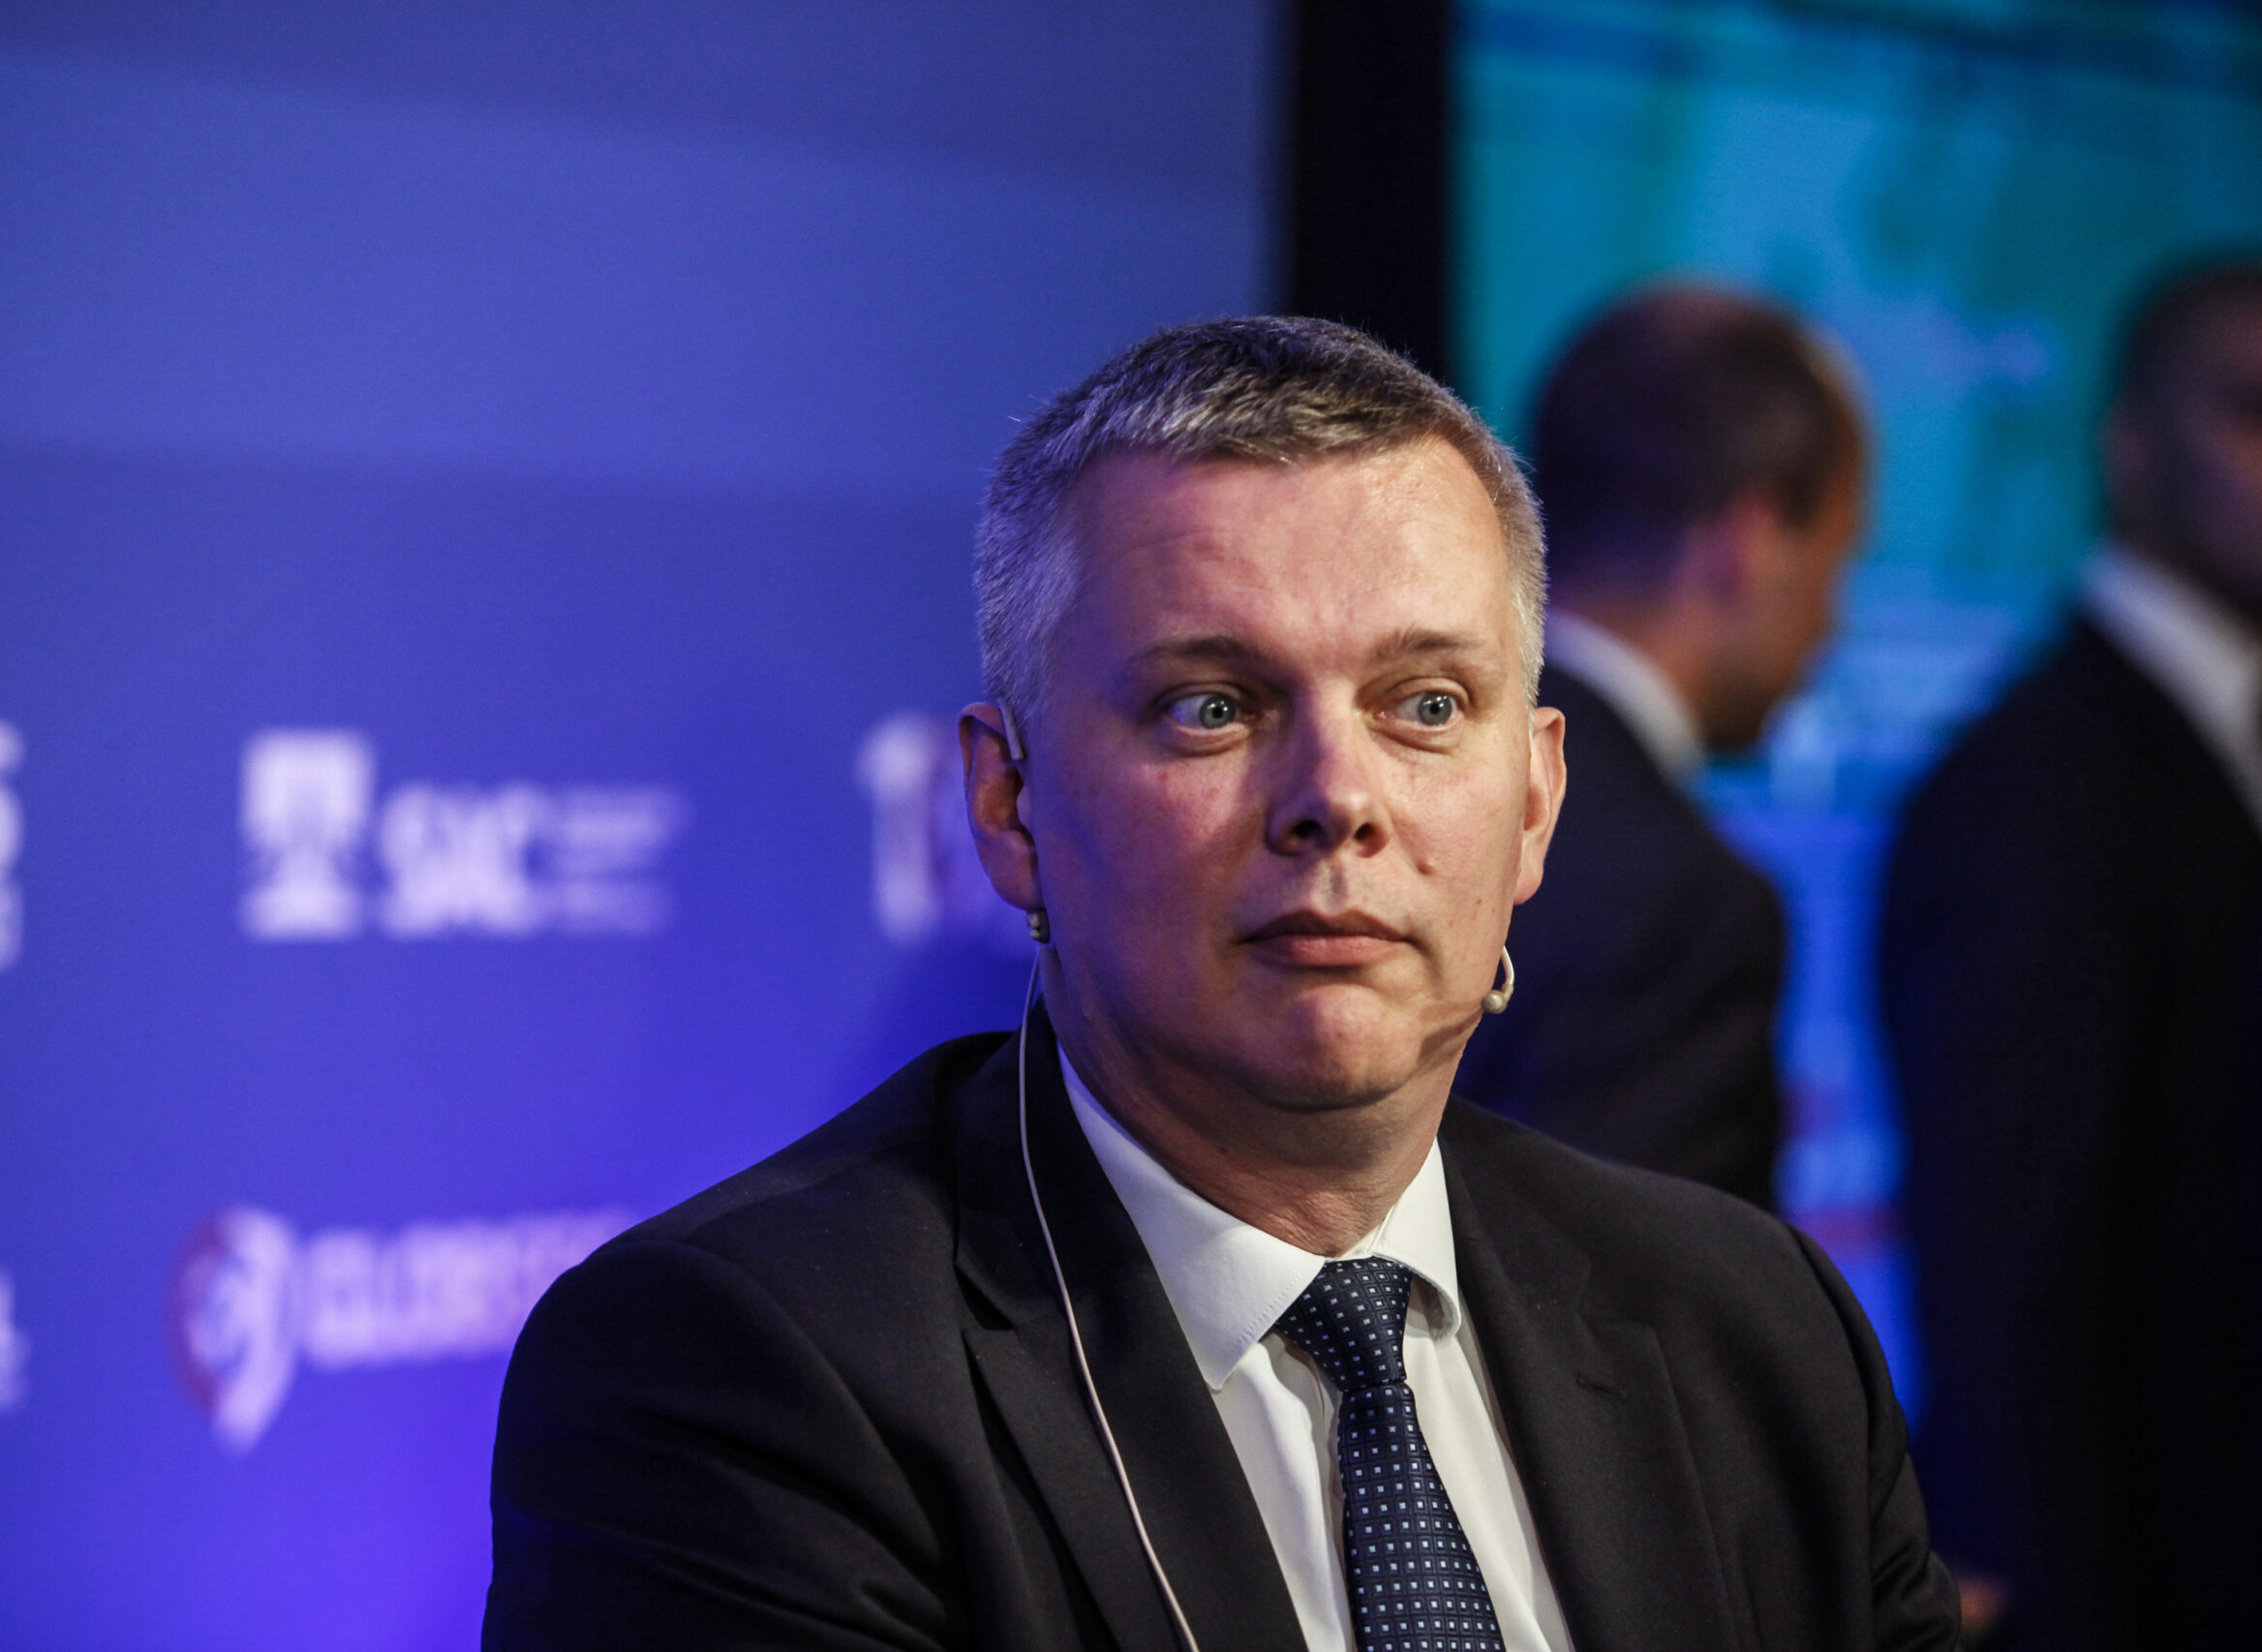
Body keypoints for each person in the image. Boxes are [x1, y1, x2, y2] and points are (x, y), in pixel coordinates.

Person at [487, 318, 1958, 1651]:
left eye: (1425, 704)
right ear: (1008, 805)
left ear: (1532, 803)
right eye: (1213, 706)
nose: (1337, 798)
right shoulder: (737, 1376)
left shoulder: (1760, 1332)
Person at [1880, 258, 2262, 1650]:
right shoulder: (2033, 791)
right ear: (2130, 448)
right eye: (2249, 413)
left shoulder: (2208, 750)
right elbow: (2010, 1287)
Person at [1451, 288, 1867, 1208]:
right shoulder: (1684, 909)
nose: (1832, 625)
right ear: (1751, 541)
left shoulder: (1402, 784)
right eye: (1838, 560)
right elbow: (1623, 1289)